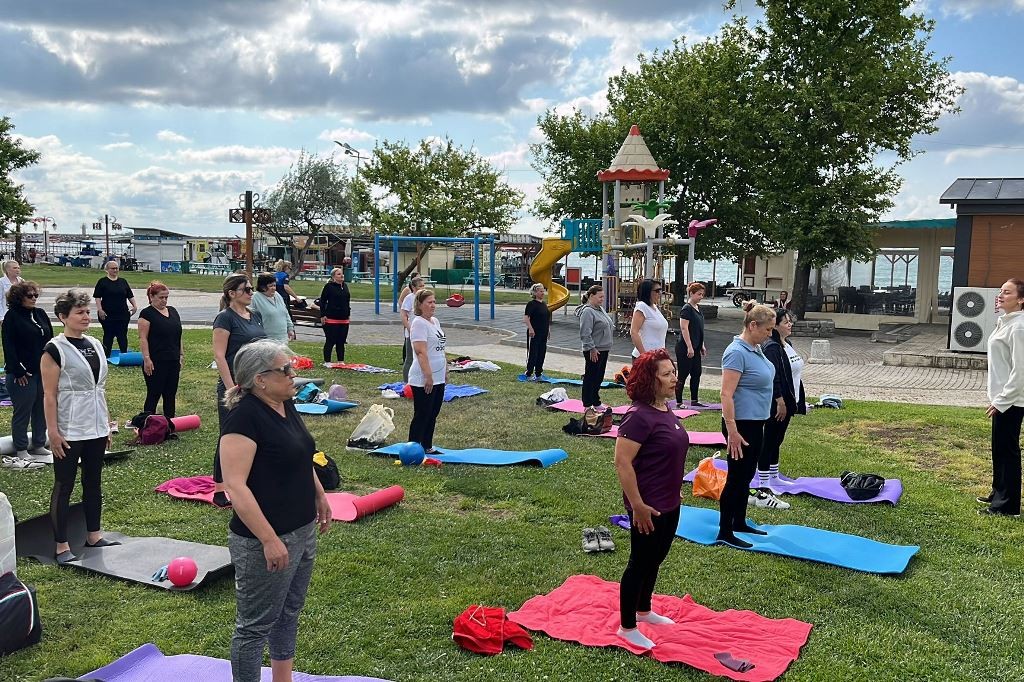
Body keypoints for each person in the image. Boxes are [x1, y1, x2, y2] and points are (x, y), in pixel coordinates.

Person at [219, 340, 332, 682]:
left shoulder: (284, 404)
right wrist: (268, 539)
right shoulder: (244, 419)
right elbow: (235, 486)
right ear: (260, 379)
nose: (292, 374)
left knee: (288, 614)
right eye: (285, 369)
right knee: (254, 627)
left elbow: (301, 454)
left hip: (301, 529)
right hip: (263, 540)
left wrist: (320, 493)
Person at [614, 349, 689, 651]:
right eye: (667, 374)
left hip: (669, 500)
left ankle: (644, 610)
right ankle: (627, 626)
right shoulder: (638, 416)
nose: (675, 378)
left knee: (655, 559)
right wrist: (637, 505)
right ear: (651, 379)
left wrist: (674, 486)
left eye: (674, 372)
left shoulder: (663, 408)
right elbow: (622, 462)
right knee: (639, 563)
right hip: (648, 505)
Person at [40, 289, 116, 564]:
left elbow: (99, 389)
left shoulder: (95, 344)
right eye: (79, 313)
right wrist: (53, 432)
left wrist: (106, 425)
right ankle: (61, 545)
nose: (86, 317)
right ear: (63, 317)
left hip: (94, 425)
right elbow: (49, 395)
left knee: (93, 482)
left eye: (87, 312)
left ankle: (93, 534)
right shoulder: (54, 349)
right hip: (69, 428)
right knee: (64, 485)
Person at [718, 301, 776, 548]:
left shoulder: (755, 348)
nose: (769, 334)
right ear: (753, 325)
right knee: (736, 478)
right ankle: (724, 530)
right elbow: (725, 394)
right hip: (740, 425)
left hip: (755, 423)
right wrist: (732, 430)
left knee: (746, 476)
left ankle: (739, 521)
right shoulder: (736, 352)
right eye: (767, 329)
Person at [212, 275, 267, 508]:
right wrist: (230, 386)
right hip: (235, 385)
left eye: (251, 289)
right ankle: (219, 488)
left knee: (257, 435)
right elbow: (219, 355)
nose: (251, 292)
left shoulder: (256, 316)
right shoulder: (225, 319)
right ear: (232, 293)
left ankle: (252, 482)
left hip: (257, 385)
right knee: (229, 436)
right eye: (246, 289)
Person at [980, 278, 1024, 517]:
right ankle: (998, 493)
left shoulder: (1019, 327)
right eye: (1000, 291)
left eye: (1007, 292)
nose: (1000, 295)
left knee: (1007, 451)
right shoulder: (1006, 322)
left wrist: (1003, 400)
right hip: (1002, 397)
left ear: (1021, 299)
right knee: (999, 449)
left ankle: (1007, 506)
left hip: (1012, 400)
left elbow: (1021, 370)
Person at [2, 280, 54, 464]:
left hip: (42, 371)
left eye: (35, 295)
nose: (33, 299)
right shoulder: (12, 317)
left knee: (41, 408)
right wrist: (18, 370)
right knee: (23, 411)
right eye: (29, 296)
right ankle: (21, 447)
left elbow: (50, 340)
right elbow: (9, 346)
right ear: (19, 298)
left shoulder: (39, 314)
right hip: (22, 374)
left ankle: (39, 443)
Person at [758, 308, 806, 503]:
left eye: (790, 321)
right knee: (769, 439)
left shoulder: (787, 344)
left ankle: (774, 476)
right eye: (786, 322)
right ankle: (763, 482)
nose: (790, 324)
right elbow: (773, 377)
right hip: (777, 403)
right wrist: (779, 400)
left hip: (789, 400)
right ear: (776, 325)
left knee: (778, 439)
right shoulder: (772, 347)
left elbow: (794, 374)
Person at [408, 289, 447, 454]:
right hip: (424, 376)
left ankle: (427, 445)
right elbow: (421, 352)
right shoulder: (418, 323)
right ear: (420, 304)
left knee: (433, 413)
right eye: (429, 302)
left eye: (434, 301)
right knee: (422, 413)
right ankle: (414, 447)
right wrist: (428, 375)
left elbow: (440, 349)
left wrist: (445, 371)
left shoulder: (435, 321)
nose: (433, 305)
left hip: (439, 375)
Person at [138, 281, 184, 418]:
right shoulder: (146, 314)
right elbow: (143, 338)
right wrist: (147, 359)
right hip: (156, 360)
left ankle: (169, 423)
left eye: (166, 297)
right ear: (152, 297)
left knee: (170, 394)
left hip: (173, 359)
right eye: (161, 297)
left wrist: (181, 354)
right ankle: (147, 423)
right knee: (154, 393)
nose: (164, 300)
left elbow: (178, 334)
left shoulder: (173, 311)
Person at [93, 259, 137, 357]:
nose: (115, 270)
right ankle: (106, 355)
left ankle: (124, 355)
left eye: (117, 268)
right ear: (107, 270)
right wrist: (100, 309)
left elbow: (130, 295)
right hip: (107, 314)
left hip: (122, 314)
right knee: (108, 335)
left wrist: (134, 306)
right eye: (113, 268)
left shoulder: (123, 281)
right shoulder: (102, 282)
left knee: (122, 335)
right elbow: (97, 297)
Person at [580, 285, 614, 409]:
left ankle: (595, 401)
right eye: (600, 297)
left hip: (604, 348)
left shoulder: (599, 309)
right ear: (591, 296)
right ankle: (587, 403)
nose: (602, 299)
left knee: (598, 377)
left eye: (603, 297)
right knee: (591, 376)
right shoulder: (588, 311)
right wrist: (591, 348)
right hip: (594, 349)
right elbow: (585, 332)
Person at [675, 282, 707, 407]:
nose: (701, 297)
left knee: (696, 372)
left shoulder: (698, 309)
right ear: (691, 293)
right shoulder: (686, 309)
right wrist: (689, 346)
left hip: (696, 346)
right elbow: (684, 328)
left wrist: (701, 345)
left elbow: (699, 329)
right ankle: (679, 401)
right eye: (699, 294)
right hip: (685, 347)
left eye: (702, 294)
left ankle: (694, 399)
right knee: (683, 373)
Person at [250, 273, 296, 344]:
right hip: (266, 340)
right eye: (270, 286)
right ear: (262, 287)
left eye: (274, 285)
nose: (274, 288)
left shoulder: (277, 295)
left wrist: (290, 328)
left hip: (282, 339)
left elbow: (285, 313)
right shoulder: (254, 298)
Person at [318, 267, 351, 363]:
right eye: (339, 274)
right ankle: (327, 361)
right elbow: (323, 301)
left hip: (344, 318)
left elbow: (347, 301)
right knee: (331, 340)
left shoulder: (345, 286)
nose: (342, 275)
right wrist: (322, 315)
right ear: (333, 277)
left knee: (341, 341)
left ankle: (341, 360)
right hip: (331, 318)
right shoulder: (329, 286)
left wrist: (348, 313)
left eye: (342, 274)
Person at [630, 279, 669, 357]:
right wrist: (644, 355)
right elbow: (634, 332)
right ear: (647, 292)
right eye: (657, 291)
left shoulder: (654, 307)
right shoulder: (642, 306)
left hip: (658, 355)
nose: (660, 294)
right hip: (646, 355)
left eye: (661, 290)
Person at [523, 283, 550, 380]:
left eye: (543, 291)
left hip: (544, 332)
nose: (543, 293)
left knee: (542, 352)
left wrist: (548, 330)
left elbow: (546, 318)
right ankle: (529, 372)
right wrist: (530, 328)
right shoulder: (531, 304)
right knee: (534, 353)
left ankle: (538, 373)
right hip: (535, 332)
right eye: (540, 291)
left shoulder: (544, 304)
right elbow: (526, 318)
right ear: (535, 292)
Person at [401, 277, 426, 382]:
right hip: (411, 333)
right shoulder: (409, 298)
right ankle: (407, 382)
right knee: (410, 359)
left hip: (423, 333)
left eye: (423, 285)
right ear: (413, 287)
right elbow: (403, 315)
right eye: (420, 286)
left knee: (423, 357)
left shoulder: (425, 298)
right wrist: (410, 329)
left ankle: (420, 379)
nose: (423, 288)